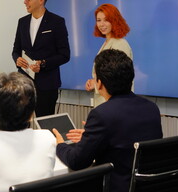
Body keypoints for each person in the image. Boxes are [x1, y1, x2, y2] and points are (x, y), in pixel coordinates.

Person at [53, 49, 163, 192]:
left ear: (99, 83)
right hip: (146, 186)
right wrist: (90, 137)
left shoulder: (102, 114)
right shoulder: (151, 108)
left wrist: (60, 145)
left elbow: (76, 161)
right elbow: (126, 139)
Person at [12, 0, 70, 117]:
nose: (25, 2)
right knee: (20, 122)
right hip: (24, 82)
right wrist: (17, 60)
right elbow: (15, 50)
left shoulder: (56, 22)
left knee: (45, 123)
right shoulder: (22, 22)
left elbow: (65, 54)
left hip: (47, 84)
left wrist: (43, 63)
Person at [85, 3, 133, 107]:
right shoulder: (107, 42)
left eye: (106, 20)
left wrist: (96, 85)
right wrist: (94, 81)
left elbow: (119, 79)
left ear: (115, 20)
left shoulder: (120, 44)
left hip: (114, 104)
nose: (102, 24)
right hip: (104, 102)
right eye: (98, 20)